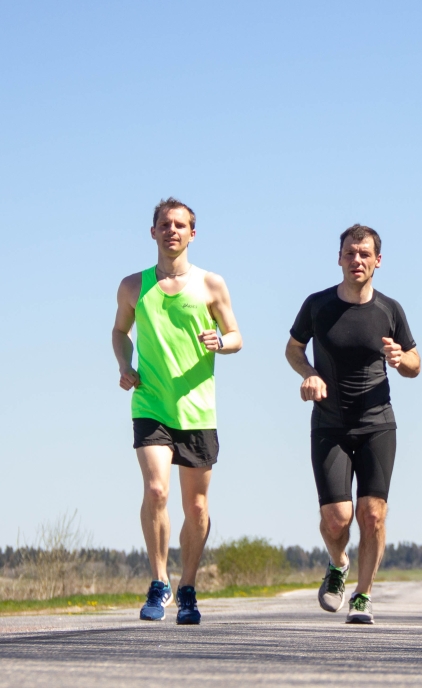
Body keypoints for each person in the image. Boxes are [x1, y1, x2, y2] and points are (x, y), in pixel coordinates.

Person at [112, 198, 243, 624]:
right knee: (156, 491)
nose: (172, 230)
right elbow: (119, 331)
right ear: (153, 232)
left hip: (198, 411)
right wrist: (124, 364)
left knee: (198, 507)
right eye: (165, 224)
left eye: (181, 225)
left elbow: (236, 334)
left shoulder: (211, 284)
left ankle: (187, 586)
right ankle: (158, 581)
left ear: (192, 233)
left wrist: (221, 343)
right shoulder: (134, 285)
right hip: (150, 403)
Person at [285, 224, 420, 624]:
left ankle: (363, 595)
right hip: (329, 423)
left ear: (378, 261)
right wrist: (308, 373)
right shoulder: (317, 306)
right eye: (350, 253)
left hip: (378, 422)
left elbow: (415, 364)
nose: (356, 260)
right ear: (339, 258)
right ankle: (338, 563)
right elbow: (293, 349)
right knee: (337, 518)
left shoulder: (389, 310)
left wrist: (401, 360)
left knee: (373, 513)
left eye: (364, 254)